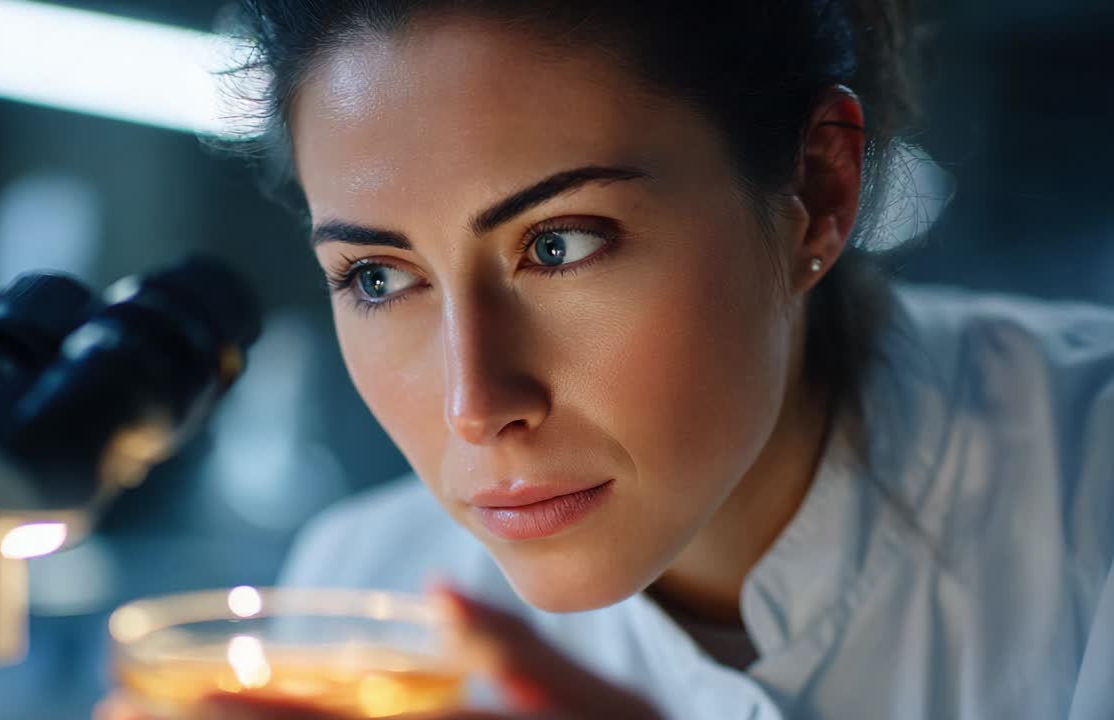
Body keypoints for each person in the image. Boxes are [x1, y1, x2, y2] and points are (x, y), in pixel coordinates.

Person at [105, 1, 1114, 718]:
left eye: (558, 245)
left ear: (817, 190)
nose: (474, 404)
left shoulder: (1089, 490)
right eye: (377, 277)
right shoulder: (365, 595)